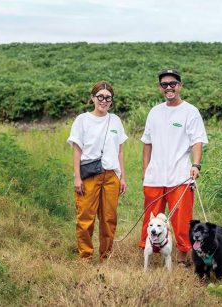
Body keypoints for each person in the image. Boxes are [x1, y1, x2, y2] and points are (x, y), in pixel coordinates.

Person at [138, 69, 208, 266]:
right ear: (160, 87)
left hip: (180, 175)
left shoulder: (190, 111)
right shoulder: (155, 112)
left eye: (172, 83)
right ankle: (149, 253)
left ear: (180, 85)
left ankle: (182, 257)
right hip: (155, 175)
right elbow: (147, 142)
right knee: (151, 218)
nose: (169, 87)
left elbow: (197, 142)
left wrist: (195, 165)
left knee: (181, 219)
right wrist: (145, 169)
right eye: (164, 84)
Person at [67, 81, 128, 262]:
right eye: (100, 96)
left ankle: (105, 256)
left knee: (109, 218)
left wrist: (122, 177)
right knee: (85, 217)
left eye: (108, 98)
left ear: (111, 101)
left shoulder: (115, 120)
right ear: (93, 98)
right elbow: (77, 150)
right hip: (89, 175)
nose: (104, 101)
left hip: (111, 176)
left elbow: (120, 151)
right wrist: (77, 177)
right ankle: (85, 256)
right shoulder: (82, 120)